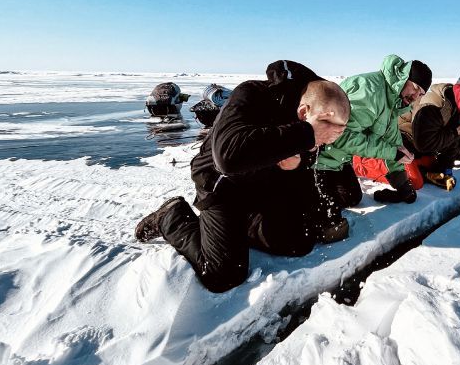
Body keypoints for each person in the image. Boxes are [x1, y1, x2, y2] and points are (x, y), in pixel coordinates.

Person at [134, 60, 350, 293]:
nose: (331, 136)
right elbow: (227, 158)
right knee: (224, 274)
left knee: (298, 242)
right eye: (326, 127)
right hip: (221, 186)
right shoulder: (251, 94)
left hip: (262, 185)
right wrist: (306, 133)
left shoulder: (309, 122)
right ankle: (171, 216)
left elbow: (305, 169)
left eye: (339, 129)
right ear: (304, 112)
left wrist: (299, 166)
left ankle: (237, 229)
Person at [315, 54, 432, 206]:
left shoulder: (392, 100)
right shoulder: (371, 92)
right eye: (415, 88)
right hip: (319, 156)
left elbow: (393, 141)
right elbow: (340, 136)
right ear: (402, 77)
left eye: (420, 94)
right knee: (328, 205)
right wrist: (393, 153)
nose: (415, 96)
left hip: (339, 159)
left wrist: (403, 185)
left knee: (351, 197)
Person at [397, 82, 460, 189]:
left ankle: (424, 171)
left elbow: (450, 142)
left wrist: (446, 170)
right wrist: (457, 131)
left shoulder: (457, 107)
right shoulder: (433, 108)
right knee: (415, 181)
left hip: (418, 145)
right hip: (400, 143)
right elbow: (423, 144)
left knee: (433, 167)